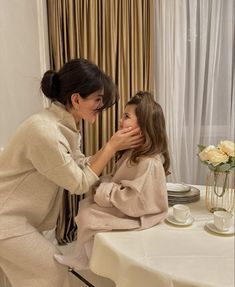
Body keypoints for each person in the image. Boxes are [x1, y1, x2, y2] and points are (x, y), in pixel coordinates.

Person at [0, 58, 142, 287]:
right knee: (51, 272)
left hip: (19, 217)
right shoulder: (44, 131)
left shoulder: (66, 127)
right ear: (76, 99)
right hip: (5, 219)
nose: (102, 106)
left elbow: (79, 165)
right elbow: (78, 183)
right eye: (98, 99)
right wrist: (110, 148)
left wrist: (111, 148)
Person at [55, 91, 170, 270]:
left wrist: (104, 191)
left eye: (126, 116)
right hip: (125, 204)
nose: (120, 120)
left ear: (144, 125)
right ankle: (82, 256)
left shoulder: (148, 163)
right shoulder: (131, 154)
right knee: (85, 206)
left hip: (141, 212)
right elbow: (117, 178)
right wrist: (101, 185)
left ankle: (98, 262)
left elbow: (135, 199)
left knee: (90, 216)